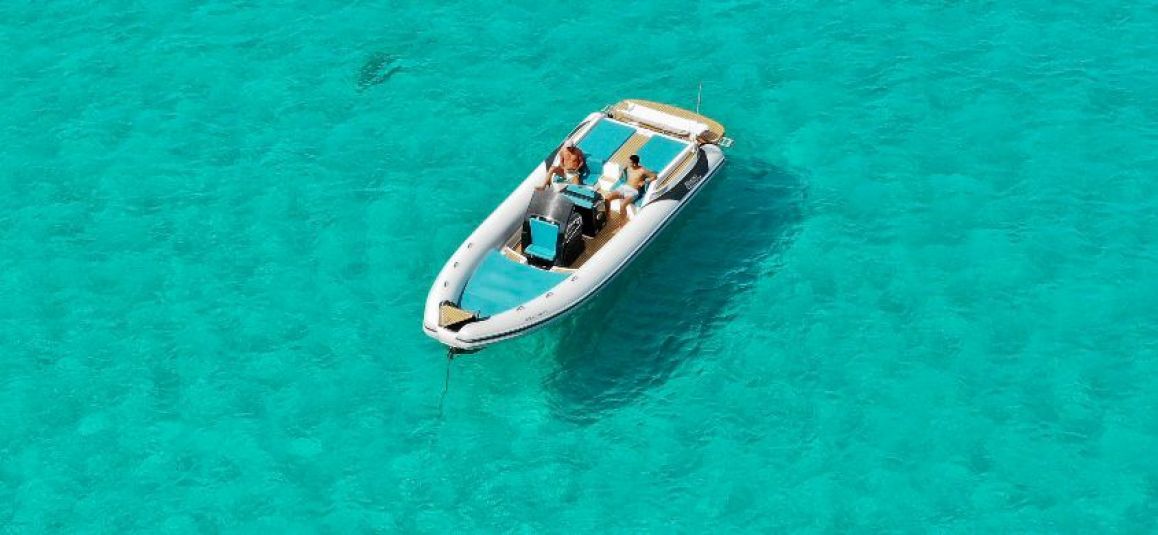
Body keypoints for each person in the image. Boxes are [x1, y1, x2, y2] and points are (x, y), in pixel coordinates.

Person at [602, 154, 656, 219]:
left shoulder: (643, 171)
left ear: (634, 164)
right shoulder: (628, 167)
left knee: (622, 204)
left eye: (630, 162)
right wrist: (621, 173)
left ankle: (622, 222)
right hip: (624, 187)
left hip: (634, 191)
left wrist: (644, 182)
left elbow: (654, 176)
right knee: (607, 197)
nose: (628, 163)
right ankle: (607, 216)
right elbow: (623, 170)